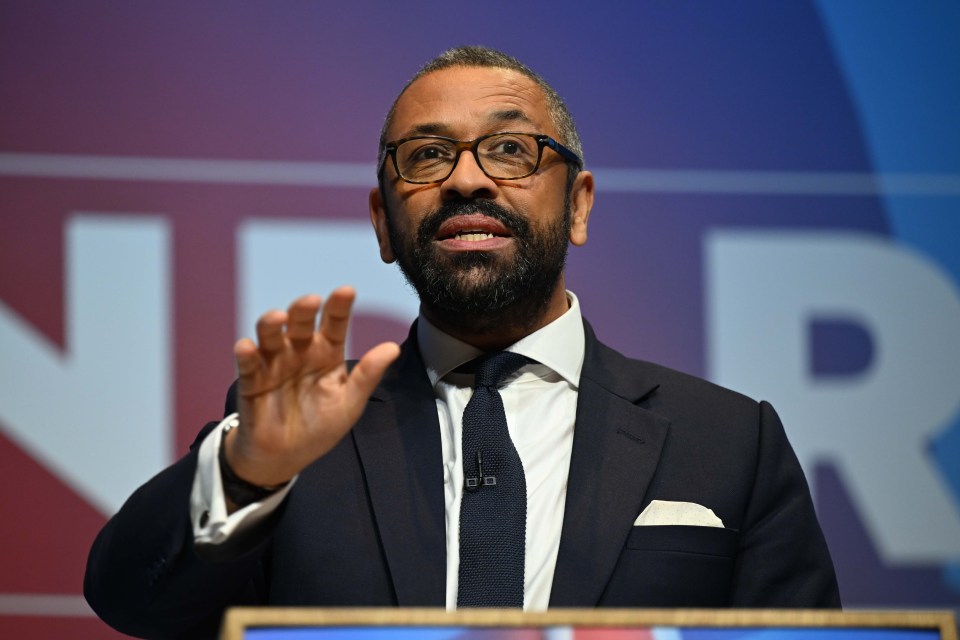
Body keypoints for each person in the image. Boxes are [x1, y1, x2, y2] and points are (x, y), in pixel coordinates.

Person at [84, 46, 841, 639]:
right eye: (426, 155)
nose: (467, 179)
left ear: (577, 204)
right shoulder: (294, 438)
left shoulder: (730, 442)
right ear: (384, 223)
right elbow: (131, 603)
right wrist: (248, 470)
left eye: (510, 150)